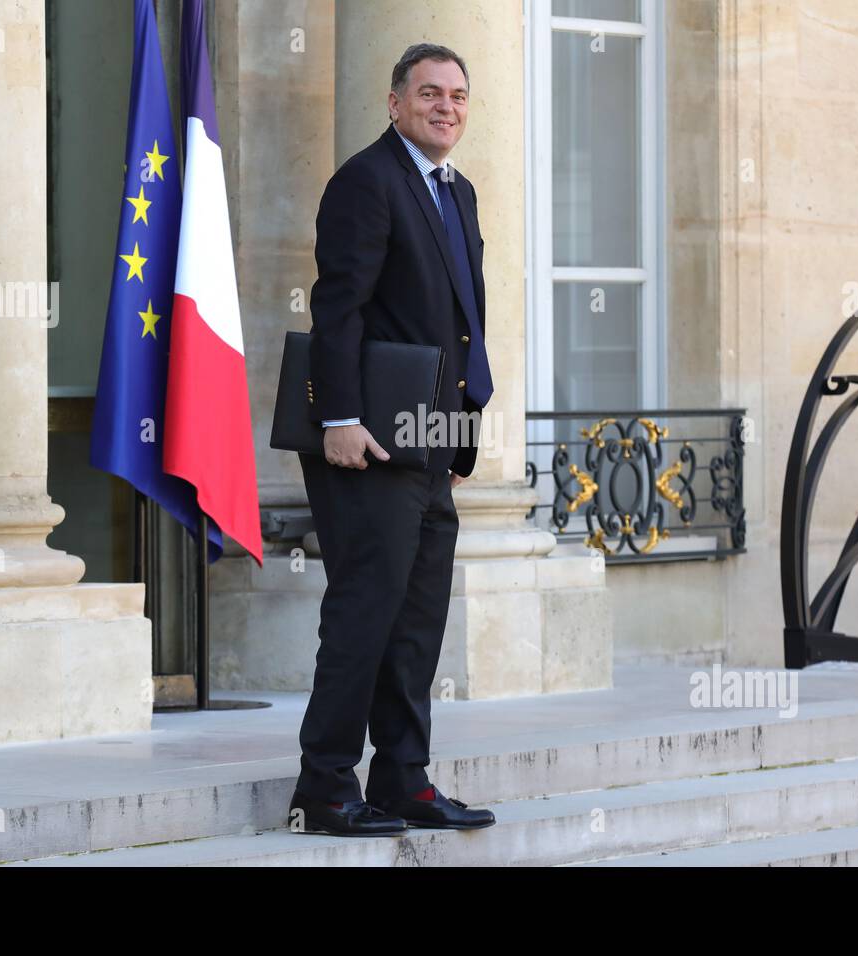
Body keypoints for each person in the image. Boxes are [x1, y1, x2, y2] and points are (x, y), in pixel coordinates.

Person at [286, 42, 496, 837]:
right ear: (395, 102)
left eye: (458, 95)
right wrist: (338, 419)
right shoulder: (366, 182)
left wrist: (461, 433)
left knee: (417, 622)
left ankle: (403, 779)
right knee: (363, 615)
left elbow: (461, 323)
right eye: (430, 92)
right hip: (367, 440)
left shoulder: (457, 190)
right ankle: (324, 787)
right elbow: (337, 307)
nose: (446, 106)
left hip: (432, 440)